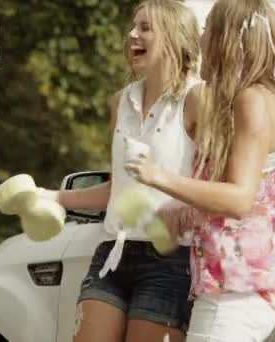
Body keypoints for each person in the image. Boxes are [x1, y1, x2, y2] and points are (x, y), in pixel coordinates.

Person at [124, 0, 275, 341]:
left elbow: (239, 198)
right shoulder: (265, 96)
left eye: (209, 26)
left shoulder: (251, 100)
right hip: (234, 286)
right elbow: (256, 201)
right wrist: (188, 211)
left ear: (230, 38)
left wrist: (157, 177)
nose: (201, 35)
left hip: (237, 290)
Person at [38, 1, 201, 341]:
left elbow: (218, 183)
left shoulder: (197, 98)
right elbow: (117, 188)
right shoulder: (121, 102)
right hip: (112, 252)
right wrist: (53, 196)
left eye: (145, 28)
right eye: (132, 26)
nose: (131, 35)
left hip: (170, 261)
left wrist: (185, 208)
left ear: (174, 36)